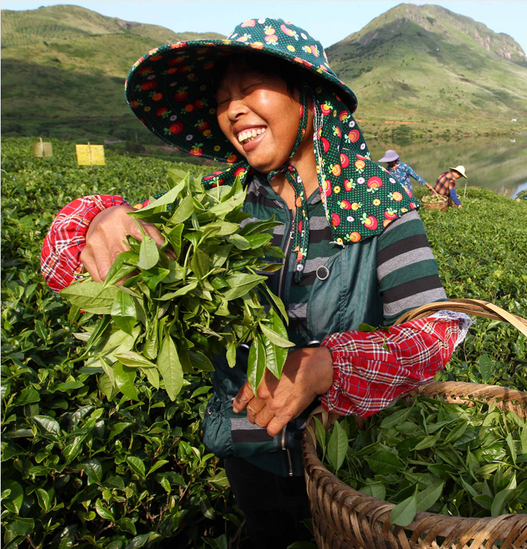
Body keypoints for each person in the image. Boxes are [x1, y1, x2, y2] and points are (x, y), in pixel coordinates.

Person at [40, 18, 472, 548]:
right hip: (248, 450)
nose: (233, 110)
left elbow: (436, 332)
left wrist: (328, 364)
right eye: (223, 100)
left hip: (350, 464)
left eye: (249, 89)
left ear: (308, 99)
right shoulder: (219, 205)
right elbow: (67, 267)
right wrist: (103, 221)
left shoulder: (377, 203)